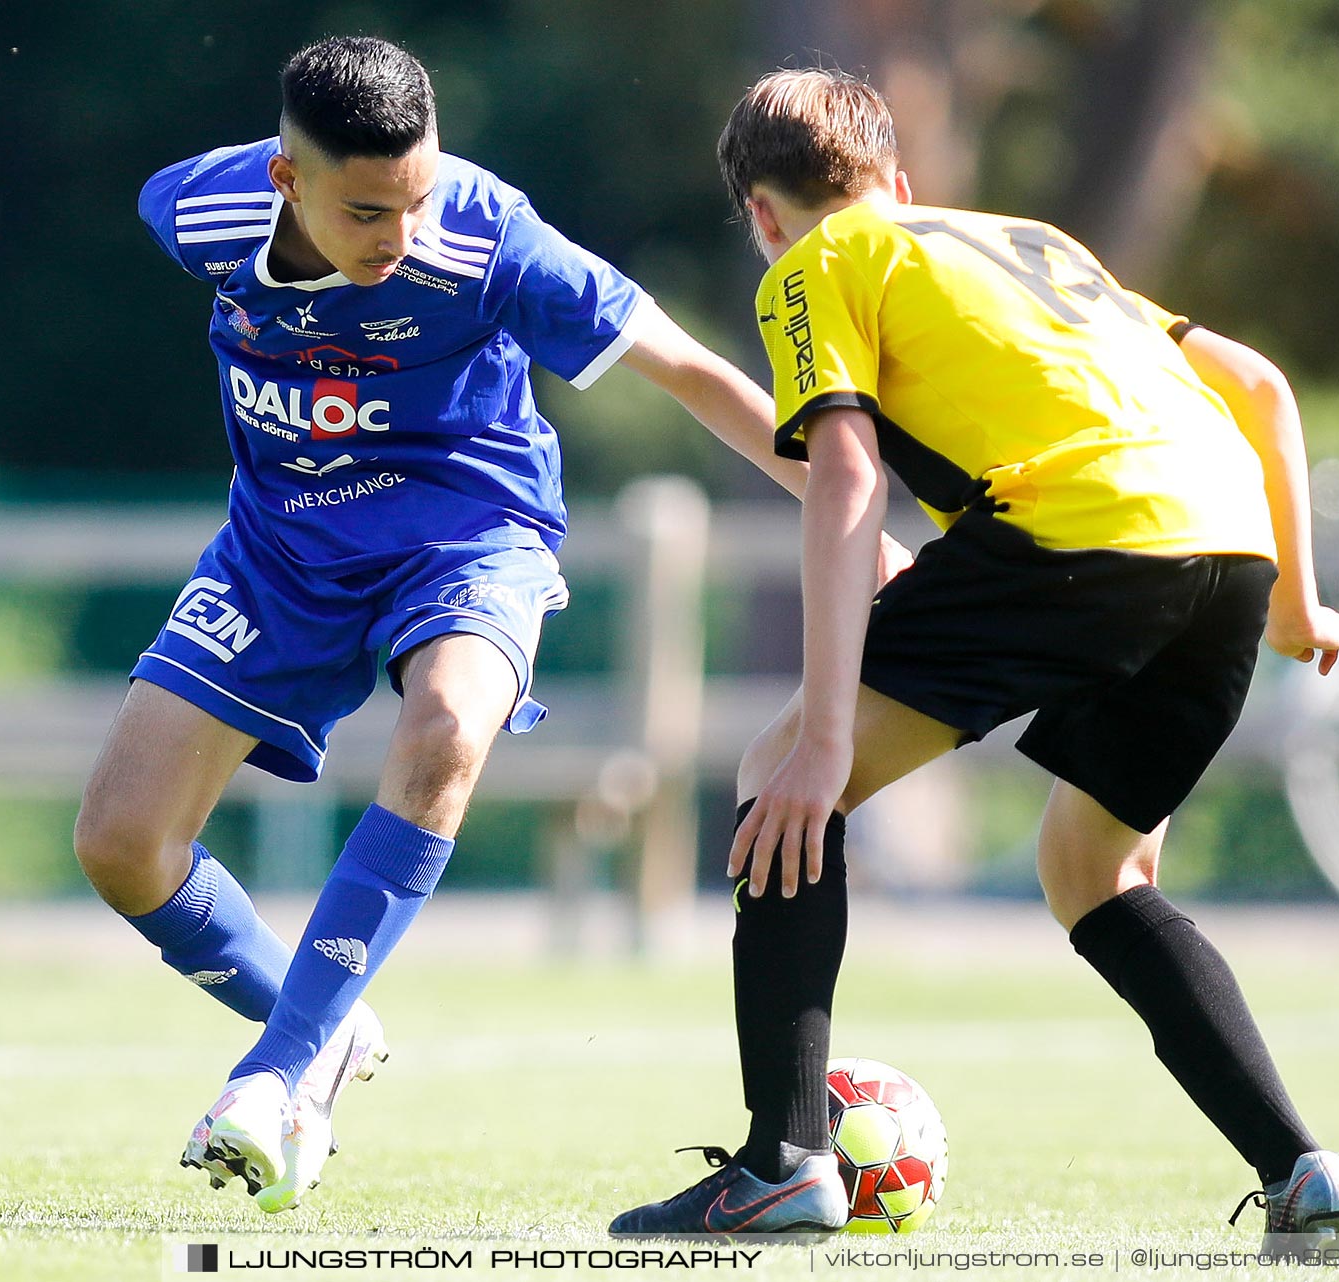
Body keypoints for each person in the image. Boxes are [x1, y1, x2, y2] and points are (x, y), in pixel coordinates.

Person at [72, 36, 861, 1215]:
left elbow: (693, 373)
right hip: (278, 554)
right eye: (367, 212)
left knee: (447, 721)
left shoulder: (490, 236)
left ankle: (281, 1073)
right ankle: (322, 1025)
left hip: (466, 537)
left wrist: (864, 523)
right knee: (120, 844)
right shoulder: (195, 210)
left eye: (418, 195)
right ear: (285, 181)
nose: (400, 235)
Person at [610, 68, 1339, 1253]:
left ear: (760, 217)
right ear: (900, 184)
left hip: (1079, 534)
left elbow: (848, 478)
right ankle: (1303, 1168)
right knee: (1096, 869)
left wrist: (821, 738)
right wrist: (1299, 608)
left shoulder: (813, 267)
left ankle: (783, 1162)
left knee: (780, 778)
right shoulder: (1029, 238)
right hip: (1230, 549)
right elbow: (1263, 387)